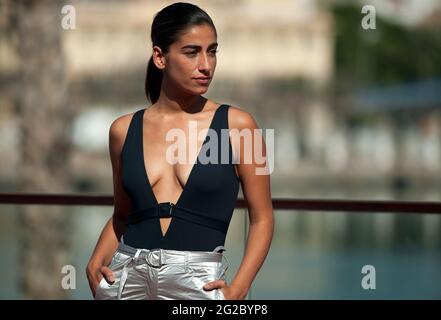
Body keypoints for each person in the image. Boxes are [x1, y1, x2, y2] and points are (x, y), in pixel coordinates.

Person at [86, 2, 274, 300]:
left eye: (212, 51)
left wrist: (239, 287)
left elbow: (262, 217)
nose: (206, 64)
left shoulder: (240, 126)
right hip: (127, 278)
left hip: (199, 284)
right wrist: (97, 259)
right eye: (191, 52)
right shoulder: (123, 130)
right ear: (160, 57)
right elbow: (123, 215)